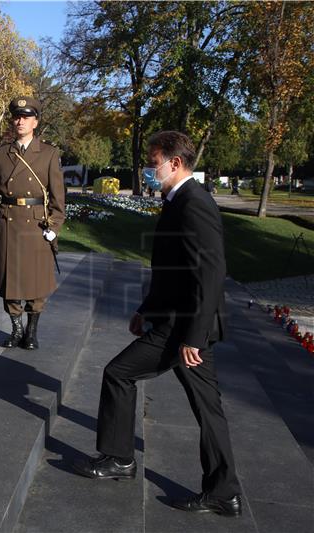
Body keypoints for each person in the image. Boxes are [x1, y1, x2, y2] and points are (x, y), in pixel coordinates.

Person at [72, 131, 241, 517]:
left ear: (175, 164)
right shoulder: (178, 200)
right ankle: (223, 491)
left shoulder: (193, 203)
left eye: (153, 162)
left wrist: (194, 337)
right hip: (175, 320)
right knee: (206, 407)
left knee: (119, 373)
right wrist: (146, 309)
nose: (149, 169)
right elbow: (173, 270)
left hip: (184, 328)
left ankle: (119, 459)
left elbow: (211, 273)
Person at [0, 96, 65, 350]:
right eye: (17, 117)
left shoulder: (49, 154)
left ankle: (32, 330)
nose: (20, 121)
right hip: (8, 222)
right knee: (10, 278)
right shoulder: (0, 153)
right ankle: (16, 329)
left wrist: (54, 227)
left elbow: (58, 199)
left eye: (26, 117)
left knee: (36, 281)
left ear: (35, 122)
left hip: (37, 224)